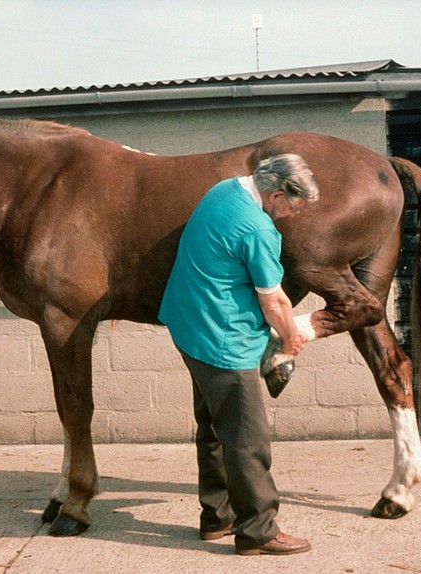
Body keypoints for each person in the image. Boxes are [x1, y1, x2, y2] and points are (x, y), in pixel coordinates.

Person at [159, 153, 321, 556]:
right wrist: (290, 340)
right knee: (248, 440)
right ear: (276, 193)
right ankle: (259, 532)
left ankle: (218, 517)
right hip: (223, 341)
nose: (289, 216)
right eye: (291, 207)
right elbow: (276, 305)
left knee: (214, 428)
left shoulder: (225, 190)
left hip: (189, 326)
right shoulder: (257, 229)